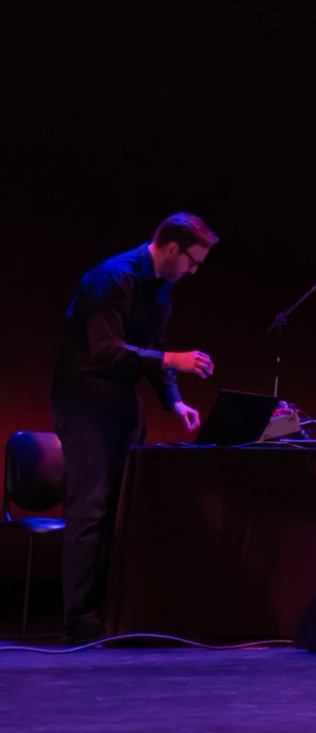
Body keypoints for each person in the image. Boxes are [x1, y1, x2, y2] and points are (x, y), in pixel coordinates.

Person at [50, 212, 219, 643]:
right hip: (85, 405)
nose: (194, 272)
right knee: (90, 509)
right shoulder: (112, 277)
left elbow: (152, 348)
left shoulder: (161, 287)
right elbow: (106, 350)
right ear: (171, 248)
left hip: (123, 407)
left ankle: (108, 611)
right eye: (193, 262)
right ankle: (79, 621)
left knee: (118, 510)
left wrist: (174, 400)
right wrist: (171, 360)